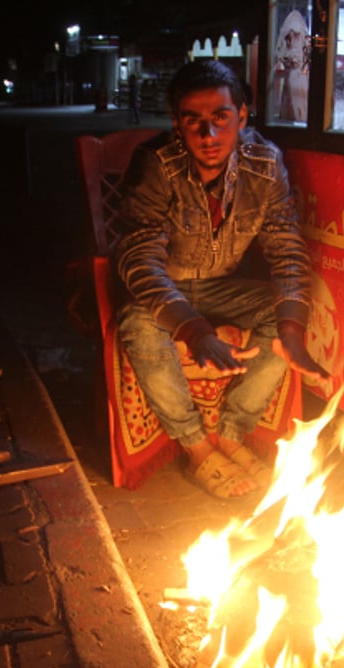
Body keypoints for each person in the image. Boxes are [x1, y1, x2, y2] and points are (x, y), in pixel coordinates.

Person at [114, 59, 326, 499]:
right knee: (136, 324)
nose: (208, 137)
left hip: (219, 284)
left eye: (221, 119)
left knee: (284, 311)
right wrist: (192, 329)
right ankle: (197, 447)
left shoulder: (265, 164)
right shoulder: (155, 163)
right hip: (166, 292)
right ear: (176, 124)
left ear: (242, 115)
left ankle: (231, 433)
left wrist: (291, 329)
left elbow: (287, 248)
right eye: (194, 123)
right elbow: (139, 258)